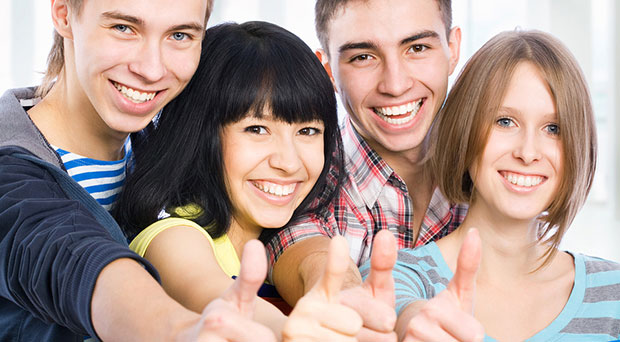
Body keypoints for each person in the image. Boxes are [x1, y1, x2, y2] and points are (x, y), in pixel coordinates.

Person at [0, 0, 278, 340]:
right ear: (63, 14)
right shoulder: (9, 172)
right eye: (123, 28)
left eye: (179, 35)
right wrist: (178, 331)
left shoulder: (179, 150)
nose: (151, 69)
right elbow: (71, 256)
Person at [113, 20, 365, 341]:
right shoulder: (172, 237)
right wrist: (293, 332)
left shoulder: (287, 235)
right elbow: (211, 293)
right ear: (200, 134)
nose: (288, 162)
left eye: (307, 131)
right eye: (257, 129)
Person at [381, 30, 620, 341]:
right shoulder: (399, 279)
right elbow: (399, 313)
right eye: (505, 121)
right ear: (465, 131)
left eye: (553, 128)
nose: (528, 152)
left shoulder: (613, 293)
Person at [265, 0, 463, 340]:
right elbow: (307, 253)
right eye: (363, 57)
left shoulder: (493, 173)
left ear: (453, 49)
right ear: (327, 70)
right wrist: (343, 299)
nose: (395, 84)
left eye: (417, 48)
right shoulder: (300, 179)